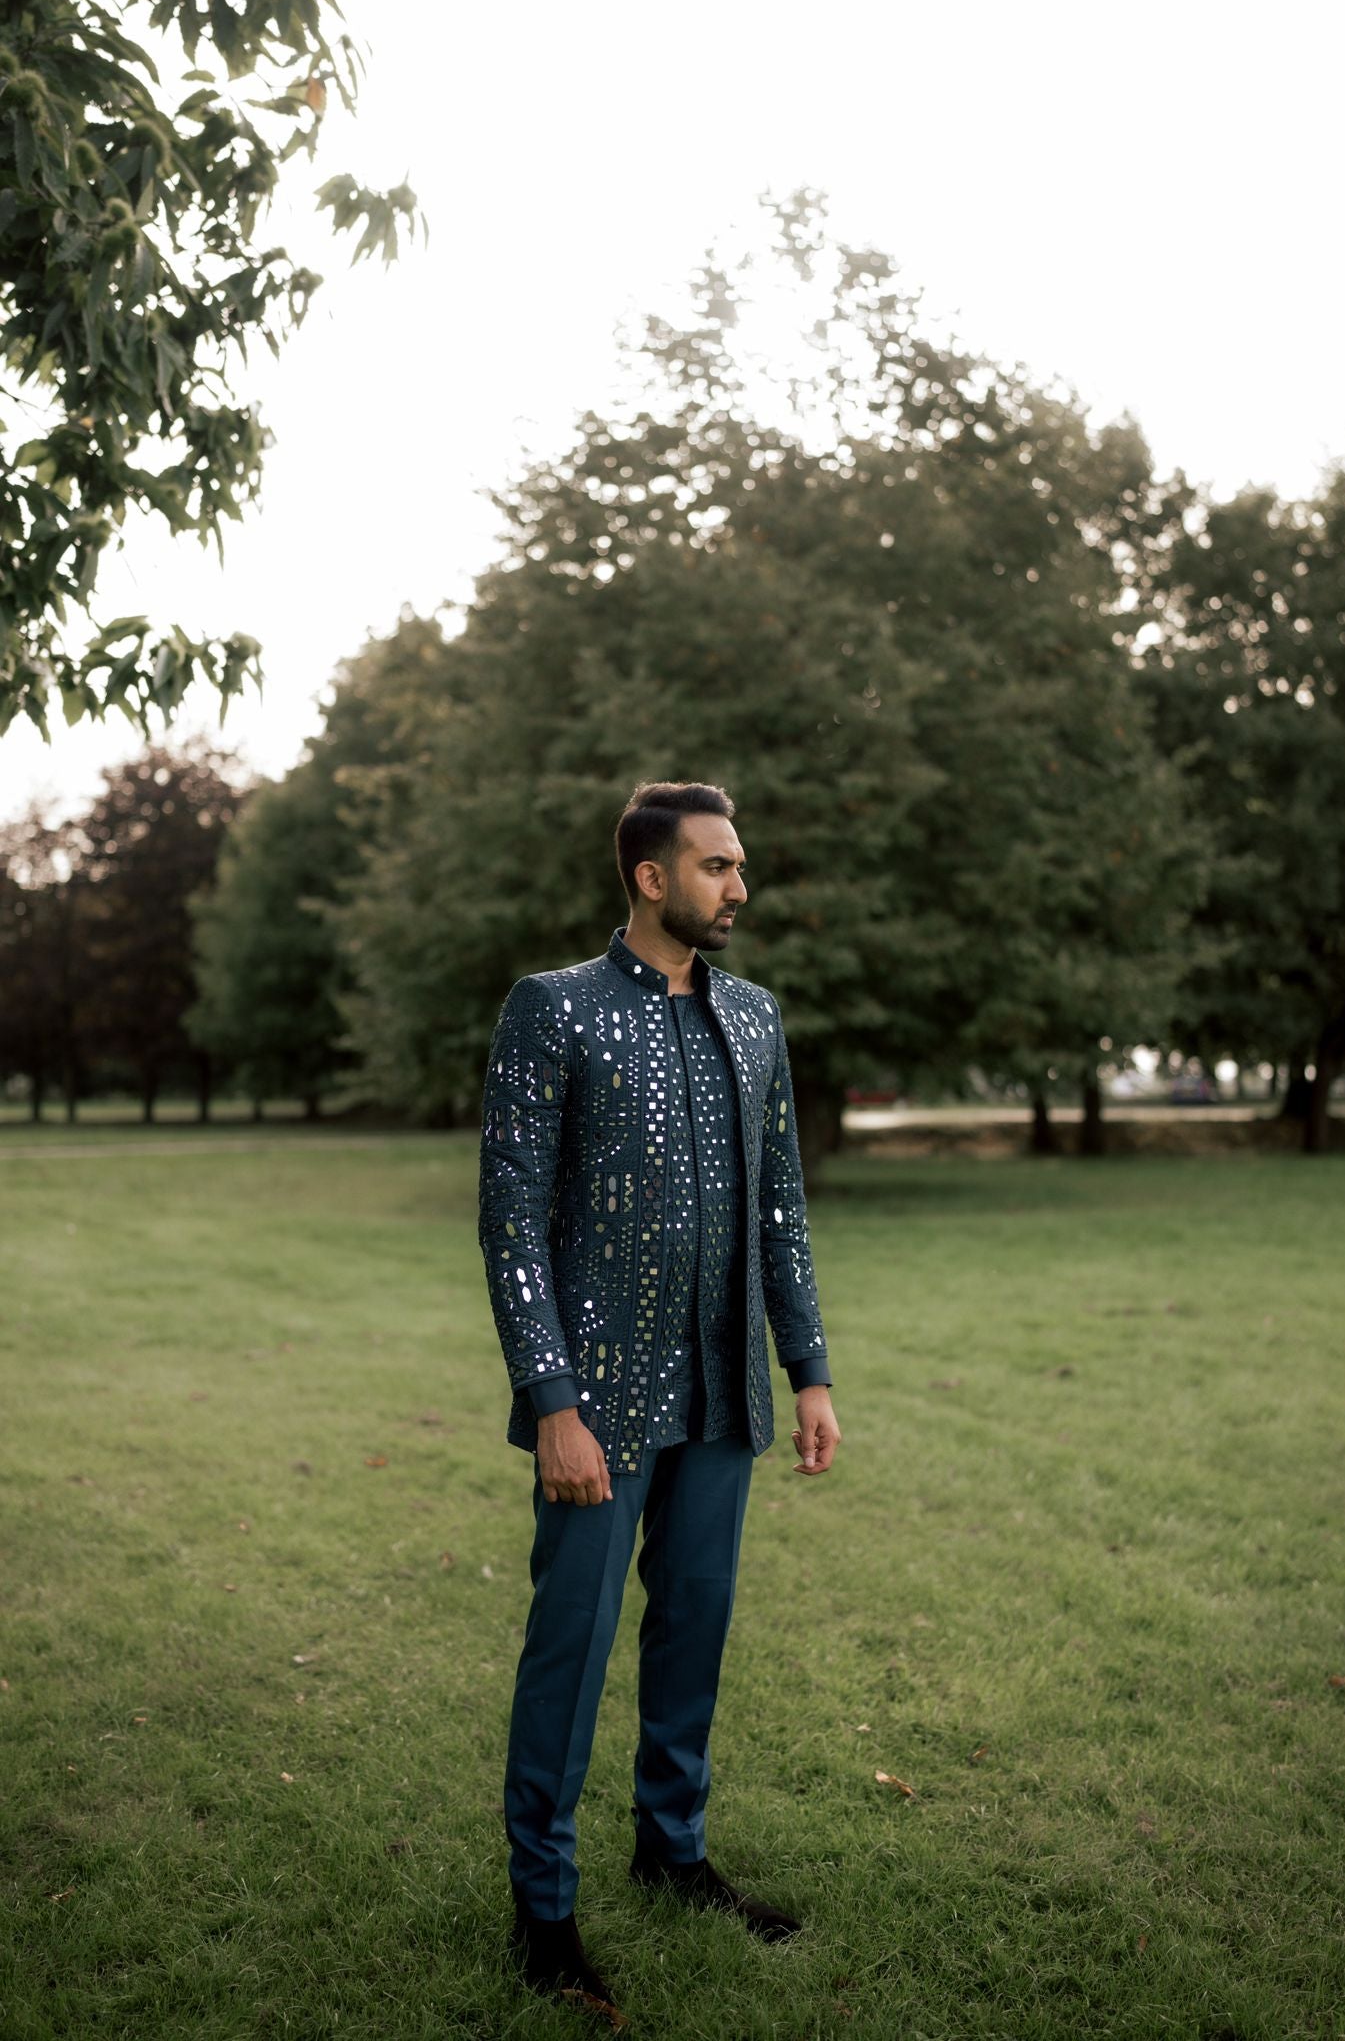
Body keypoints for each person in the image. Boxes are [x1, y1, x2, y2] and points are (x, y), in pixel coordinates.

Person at [478, 779, 842, 2020]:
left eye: (739, 867)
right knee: (569, 1649)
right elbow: (511, 1217)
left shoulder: (754, 1019)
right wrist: (552, 1399)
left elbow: (780, 1207)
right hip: (600, 1398)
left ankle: (672, 1850)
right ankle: (545, 1909)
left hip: (724, 1389)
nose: (740, 886)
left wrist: (809, 1370)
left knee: (692, 1629)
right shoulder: (555, 1010)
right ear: (650, 876)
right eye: (719, 866)